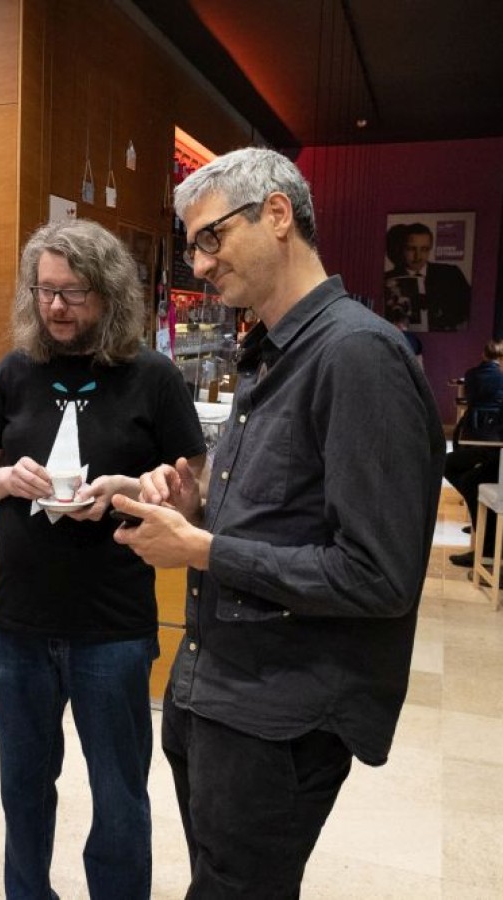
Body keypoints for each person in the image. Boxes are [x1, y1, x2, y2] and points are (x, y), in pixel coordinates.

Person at [112, 147, 445, 896]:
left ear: (277, 214)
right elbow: (285, 517)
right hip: (219, 690)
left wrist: (202, 548)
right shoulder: (273, 350)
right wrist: (195, 508)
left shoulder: (357, 355)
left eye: (210, 237)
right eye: (192, 244)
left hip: (280, 713)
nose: (199, 263)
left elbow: (378, 574)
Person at [0, 218, 206, 898]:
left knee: (120, 796)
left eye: (72, 293)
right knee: (24, 791)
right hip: (17, 623)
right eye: (44, 292)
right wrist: (10, 479)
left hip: (113, 626)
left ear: (109, 293)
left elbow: (195, 490)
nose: (56, 307)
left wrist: (136, 489)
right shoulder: (16, 371)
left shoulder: (151, 377)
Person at [445, 339, 503, 566]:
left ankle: (487, 544)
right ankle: (483, 518)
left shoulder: (472, 374)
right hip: (494, 444)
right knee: (452, 466)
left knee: (471, 481)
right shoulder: (499, 376)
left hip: (485, 438)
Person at [383, 221, 471, 332]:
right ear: (403, 249)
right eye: (411, 249)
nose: (418, 256)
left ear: (430, 248)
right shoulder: (387, 279)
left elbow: (470, 310)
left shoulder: (451, 274)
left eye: (424, 249)